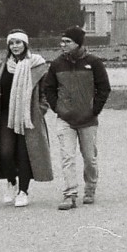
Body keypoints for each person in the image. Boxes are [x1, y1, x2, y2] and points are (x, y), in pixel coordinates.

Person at [44, 26, 111, 211]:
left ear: (78, 43)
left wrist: (94, 109)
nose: (62, 44)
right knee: (67, 157)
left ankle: (90, 188)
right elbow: (48, 87)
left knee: (90, 158)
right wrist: (57, 107)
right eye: (62, 41)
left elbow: (104, 88)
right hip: (65, 118)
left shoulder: (94, 63)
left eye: (67, 41)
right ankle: (70, 194)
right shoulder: (57, 64)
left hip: (88, 119)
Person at [0, 30, 54, 208]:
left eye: (18, 42)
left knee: (25, 153)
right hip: (5, 115)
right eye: (12, 43)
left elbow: (45, 93)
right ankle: (11, 181)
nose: (15, 46)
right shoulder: (2, 66)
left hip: (28, 116)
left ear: (25, 44)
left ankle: (23, 191)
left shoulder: (37, 65)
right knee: (5, 152)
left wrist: (40, 110)